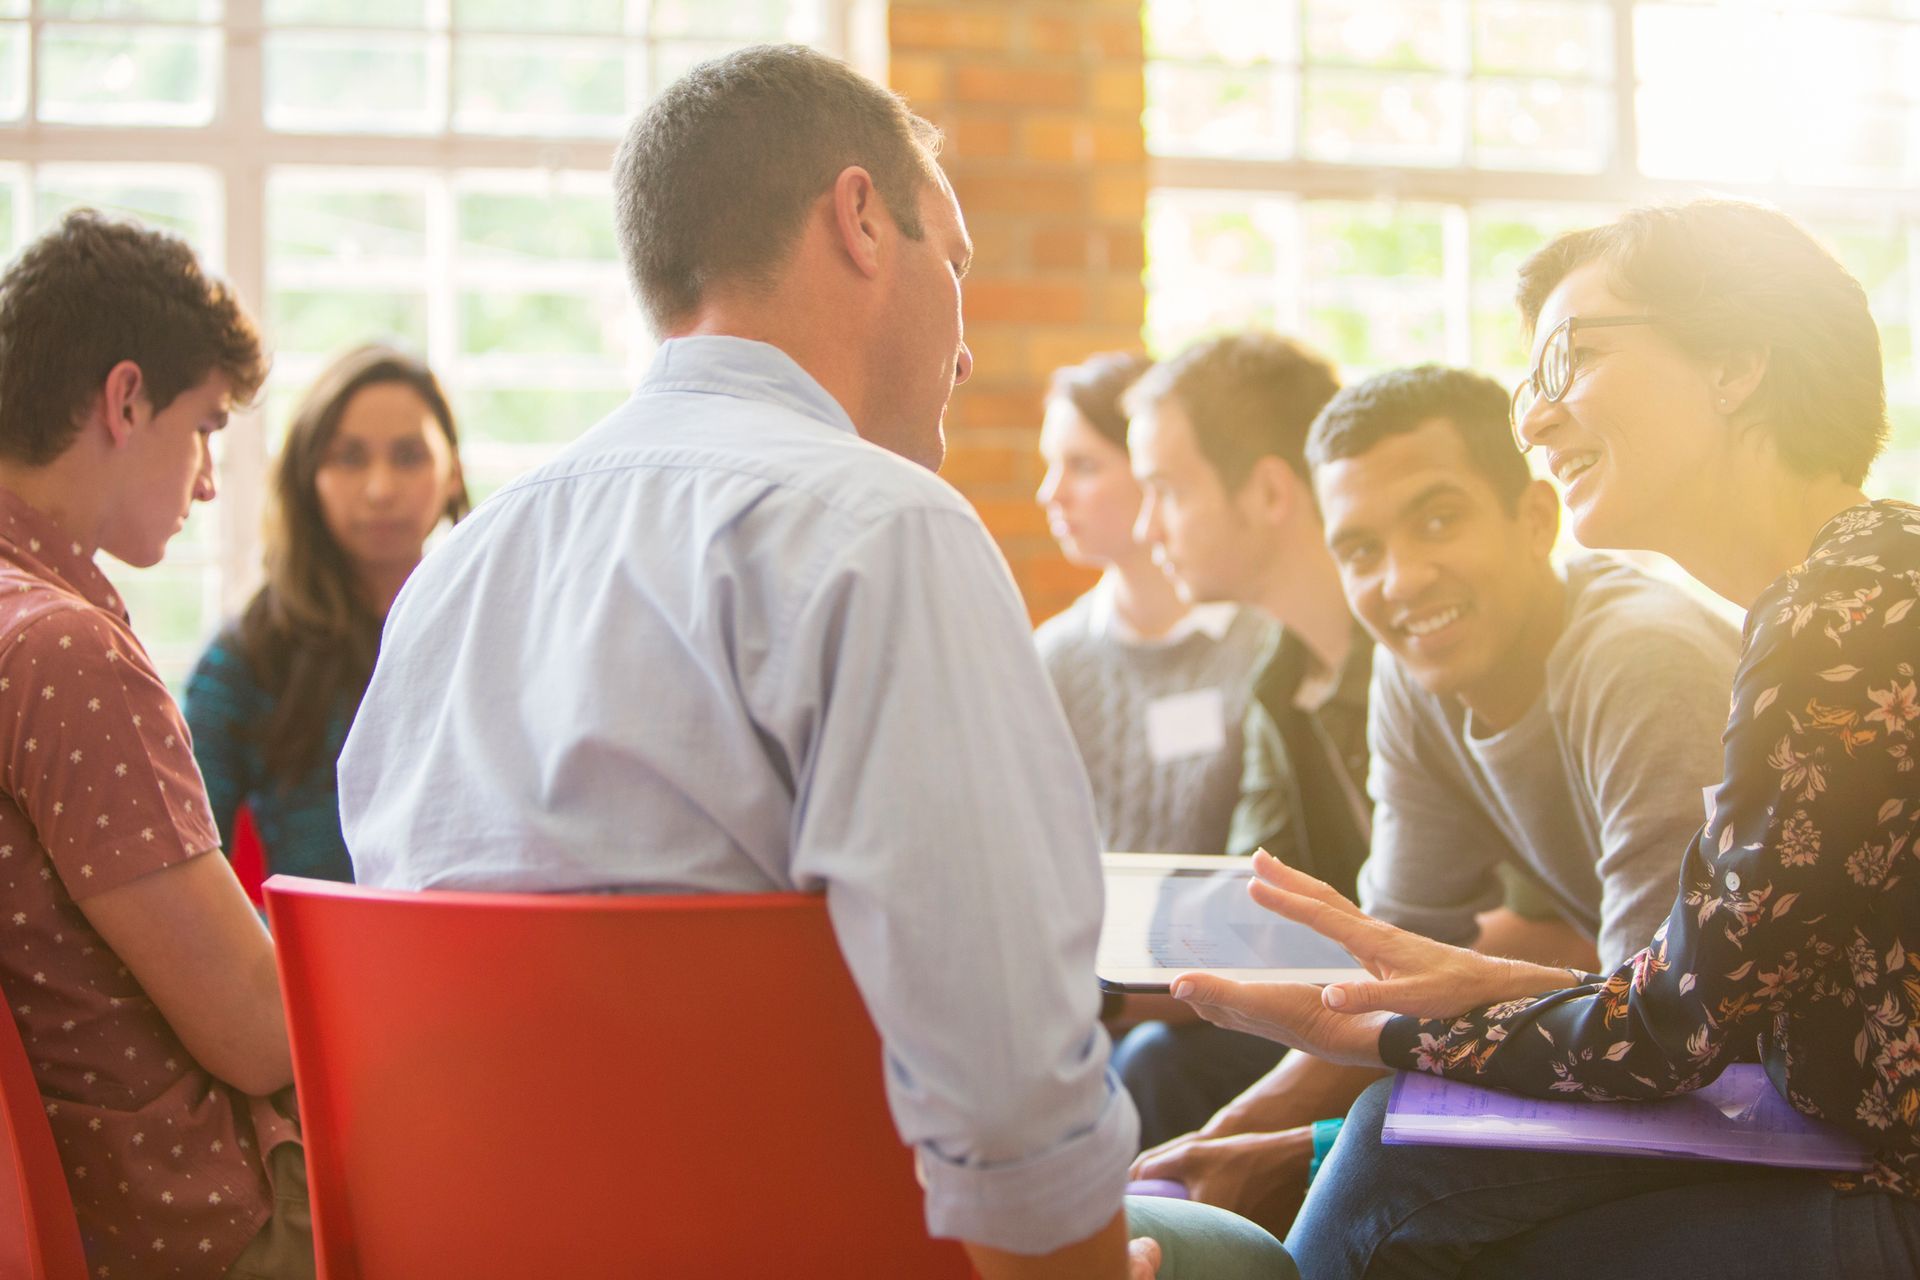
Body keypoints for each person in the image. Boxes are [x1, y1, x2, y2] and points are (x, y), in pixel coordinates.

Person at [335, 45, 1291, 1280]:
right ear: (860, 220)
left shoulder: (451, 575)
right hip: (807, 1242)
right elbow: (1003, 1070)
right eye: (956, 263)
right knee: (1245, 1250)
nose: (965, 347)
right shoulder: (883, 528)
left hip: (484, 1246)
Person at [1173, 200, 1920, 1278]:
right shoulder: (1849, 587)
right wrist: (1467, 985)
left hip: (1889, 1188)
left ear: (1734, 365)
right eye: (1531, 380)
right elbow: (1708, 994)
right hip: (1850, 1149)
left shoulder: (1842, 616)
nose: (1534, 418)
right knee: (1392, 1153)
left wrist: (1386, 1029)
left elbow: (1673, 1029)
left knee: (1393, 1165)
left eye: (1572, 358)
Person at [1131, 364, 1741, 1233]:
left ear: (1535, 519)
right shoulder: (1414, 676)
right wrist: (1217, 1139)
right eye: (1360, 551)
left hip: (1797, 1090)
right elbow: (1389, 976)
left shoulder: (1641, 662)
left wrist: (1301, 1152)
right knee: (1183, 1103)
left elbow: (1650, 1039)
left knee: (1372, 1171)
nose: (1403, 580)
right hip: (1652, 1047)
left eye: (1439, 521)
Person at [0, 210, 311, 1278]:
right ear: (126, 399)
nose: (211, 478)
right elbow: (256, 1032)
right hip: (201, 1220)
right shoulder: (63, 652)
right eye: (206, 426)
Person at [184, 345, 468, 885]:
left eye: (409, 456)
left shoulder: (489, 634)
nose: (380, 489)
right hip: (304, 940)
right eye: (350, 458)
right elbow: (188, 870)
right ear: (308, 475)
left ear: (452, 473)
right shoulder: (248, 656)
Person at [1034, 350, 1269, 857]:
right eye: (1051, 466)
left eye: (1083, 466)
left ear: (1151, 468)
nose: (1050, 494)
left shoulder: (1267, 643)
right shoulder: (1052, 658)